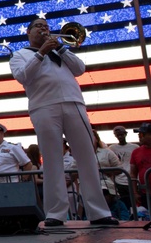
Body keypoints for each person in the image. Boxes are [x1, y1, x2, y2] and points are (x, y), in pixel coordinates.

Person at [9, 18, 119, 227]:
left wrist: (61, 49)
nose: (44, 29)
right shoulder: (19, 54)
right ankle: (55, 214)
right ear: (28, 31)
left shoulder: (61, 51)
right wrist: (41, 52)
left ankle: (98, 212)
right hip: (44, 106)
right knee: (51, 160)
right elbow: (23, 76)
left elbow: (80, 69)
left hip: (73, 103)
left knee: (87, 157)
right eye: (39, 26)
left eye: (47, 27)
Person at [107, 125, 137, 211]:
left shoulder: (134, 147)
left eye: (121, 134)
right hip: (119, 180)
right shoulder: (111, 148)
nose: (120, 137)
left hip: (132, 179)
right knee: (124, 202)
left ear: (125, 134)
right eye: (117, 135)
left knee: (134, 201)